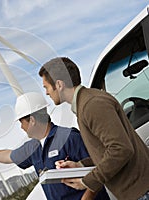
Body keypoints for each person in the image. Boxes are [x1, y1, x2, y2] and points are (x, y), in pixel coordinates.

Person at [0, 92, 109, 200]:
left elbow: (98, 172)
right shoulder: (33, 147)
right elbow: (7, 156)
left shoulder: (70, 137)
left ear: (32, 120)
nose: (21, 127)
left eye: (22, 122)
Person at [39, 57, 149, 200]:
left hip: (141, 192)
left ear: (59, 84)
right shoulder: (85, 104)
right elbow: (107, 152)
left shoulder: (91, 105)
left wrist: (87, 182)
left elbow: (121, 149)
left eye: (46, 87)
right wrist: (79, 165)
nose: (47, 93)